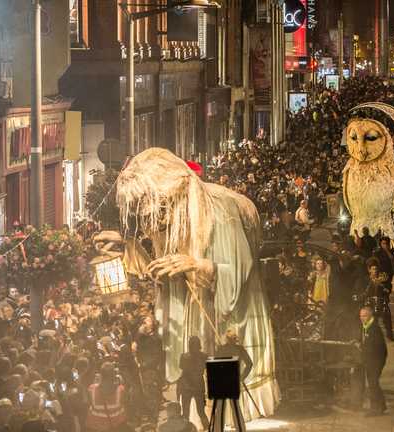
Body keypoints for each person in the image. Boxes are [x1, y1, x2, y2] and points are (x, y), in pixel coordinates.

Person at [98, 148, 278, 420]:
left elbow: (238, 273)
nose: (151, 218)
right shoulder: (168, 219)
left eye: (155, 207)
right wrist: (128, 248)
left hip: (226, 315)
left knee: (221, 401)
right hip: (195, 318)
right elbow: (161, 270)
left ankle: (222, 414)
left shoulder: (220, 211)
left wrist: (195, 264)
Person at [357, 307, 387, 416]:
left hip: (375, 361)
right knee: (374, 383)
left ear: (370, 316)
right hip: (372, 360)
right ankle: (382, 405)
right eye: (360, 316)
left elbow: (376, 348)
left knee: (372, 384)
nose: (361, 318)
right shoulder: (367, 327)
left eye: (364, 316)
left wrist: (363, 349)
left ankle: (375, 408)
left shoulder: (374, 329)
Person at [85, 362, 128, 432]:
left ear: (101, 375)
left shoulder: (92, 389)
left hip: (96, 427)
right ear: (114, 375)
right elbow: (125, 403)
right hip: (116, 426)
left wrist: (96, 382)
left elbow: (89, 402)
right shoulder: (120, 390)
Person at [177, 336, 209, 429]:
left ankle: (186, 430)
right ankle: (207, 429)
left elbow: (182, 368)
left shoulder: (184, 356)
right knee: (201, 412)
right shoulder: (204, 356)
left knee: (186, 413)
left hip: (186, 385)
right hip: (198, 385)